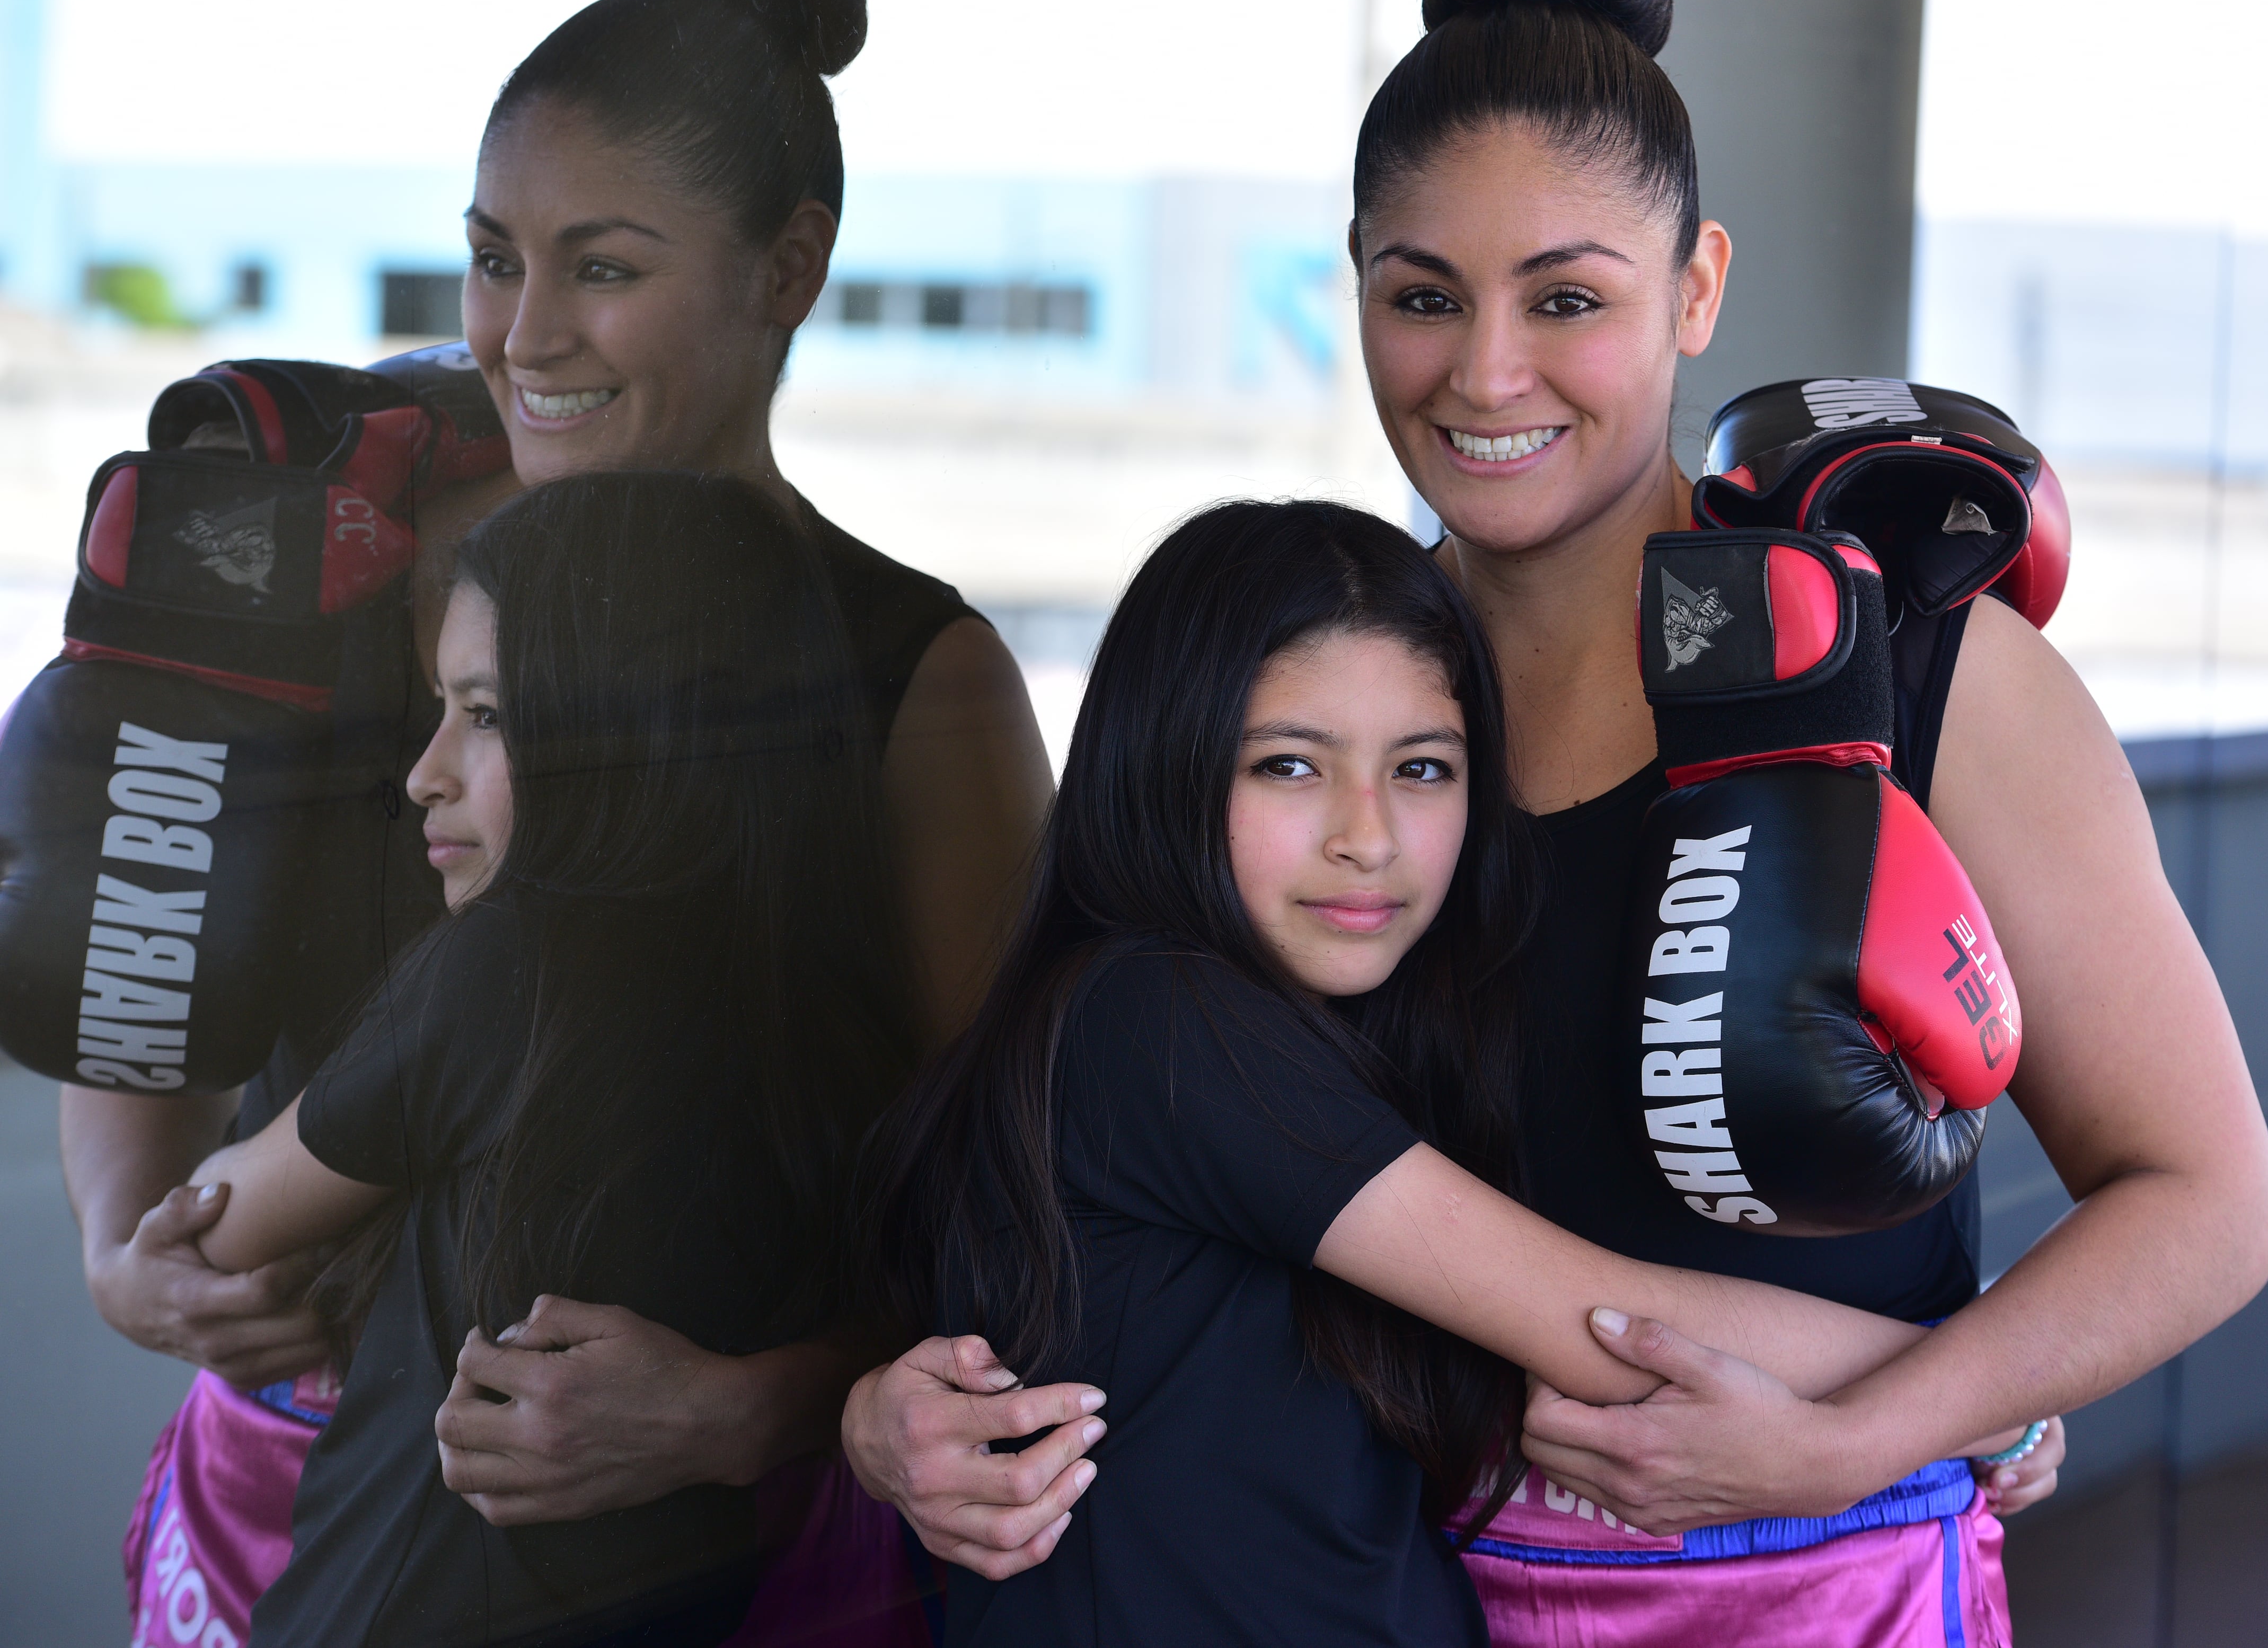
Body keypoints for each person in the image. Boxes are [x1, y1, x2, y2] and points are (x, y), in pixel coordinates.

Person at [850, 0, 2268, 1644]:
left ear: (1695, 290)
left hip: (1821, 1590)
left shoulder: (1925, 675)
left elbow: (2204, 1206)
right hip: (1397, 1582)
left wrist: (1885, 1427)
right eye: (1424, 296)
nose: (1488, 373)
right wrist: (893, 1412)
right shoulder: (1347, 696)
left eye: (1570, 298)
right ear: (1357, 284)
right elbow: (1126, 1137)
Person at [80, 0, 1063, 1645]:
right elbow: (137, 906)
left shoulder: (919, 676)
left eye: (603, 267)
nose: (522, 333)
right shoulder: (347, 572)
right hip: (288, 1511)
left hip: (724, 1550)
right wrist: (121, 1238)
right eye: (491, 256)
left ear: (787, 268)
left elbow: (1007, 1207)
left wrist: (752, 1404)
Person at [863, 500, 2047, 1646]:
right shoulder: (1155, 1022)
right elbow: (1610, 1325)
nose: (1366, 835)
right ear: (1162, 764)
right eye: (1286, 765)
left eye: (1422, 768)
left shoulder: (1341, 1032)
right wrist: (1966, 1395)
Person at [187, 472, 916, 1645]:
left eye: (485, 715)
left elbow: (213, 1224)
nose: (426, 770)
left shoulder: (519, 963)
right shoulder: (833, 1002)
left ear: (627, 730)